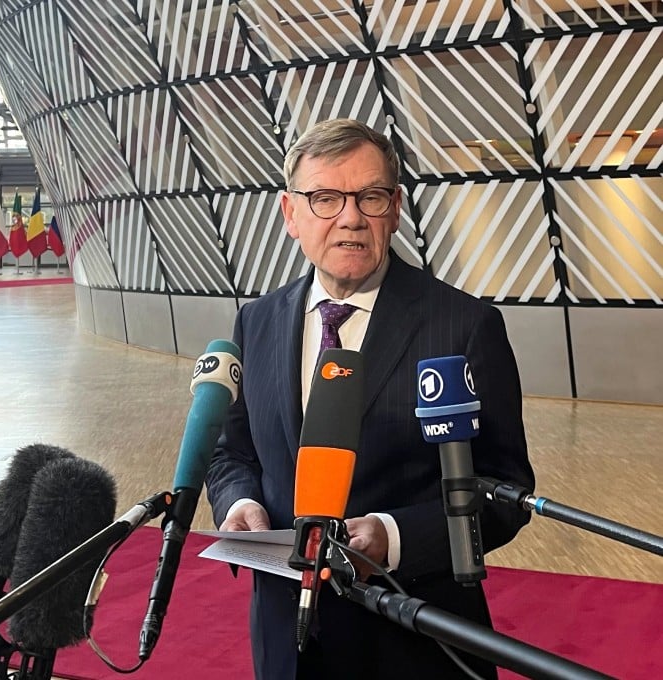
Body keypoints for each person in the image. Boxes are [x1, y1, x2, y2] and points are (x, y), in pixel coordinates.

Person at [204, 118, 536, 679]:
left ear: (395, 207)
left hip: (417, 636)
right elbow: (231, 453)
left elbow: (506, 492)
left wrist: (394, 535)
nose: (351, 218)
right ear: (290, 213)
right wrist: (238, 505)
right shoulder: (255, 322)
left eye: (370, 196)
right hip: (288, 637)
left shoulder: (464, 326)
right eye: (325, 198)